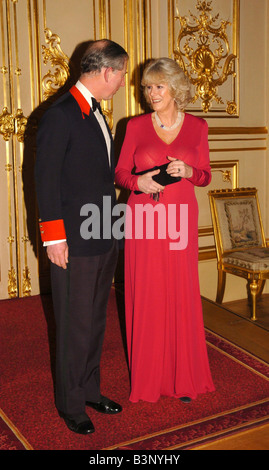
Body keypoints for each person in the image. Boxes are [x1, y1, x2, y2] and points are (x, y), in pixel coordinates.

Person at [35, 39, 128, 434]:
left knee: (94, 320)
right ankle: (71, 404)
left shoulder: (96, 113)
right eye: (122, 73)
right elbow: (45, 179)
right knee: (74, 322)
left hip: (102, 232)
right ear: (107, 71)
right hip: (72, 239)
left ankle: (90, 388)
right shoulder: (60, 114)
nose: (124, 81)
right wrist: (54, 237)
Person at [115, 58, 215, 403]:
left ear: (175, 88)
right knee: (148, 292)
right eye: (147, 87)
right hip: (144, 216)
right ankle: (149, 380)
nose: (151, 93)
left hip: (181, 216)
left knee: (180, 291)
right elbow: (120, 175)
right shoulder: (135, 125)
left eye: (158, 86)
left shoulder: (198, 127)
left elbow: (205, 175)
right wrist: (139, 182)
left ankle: (183, 376)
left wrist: (189, 169)